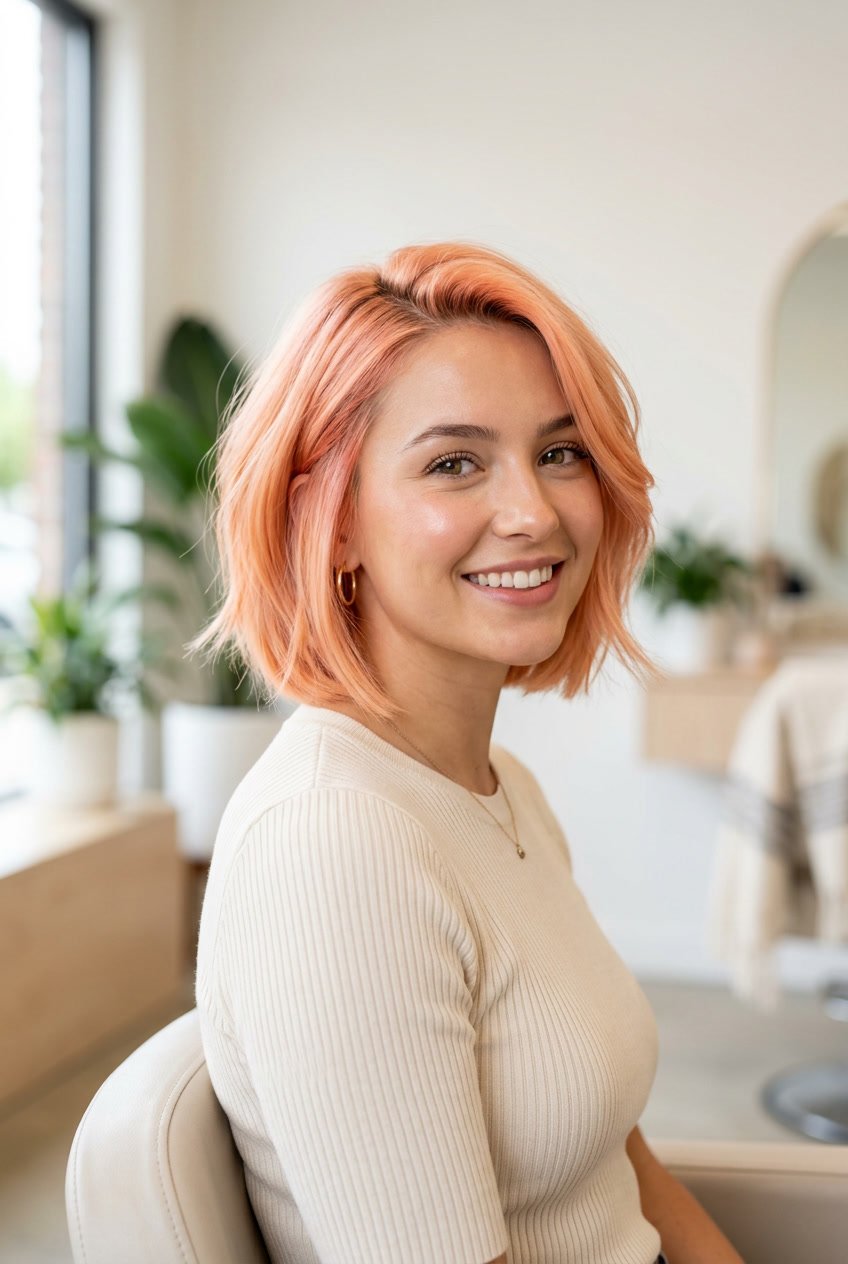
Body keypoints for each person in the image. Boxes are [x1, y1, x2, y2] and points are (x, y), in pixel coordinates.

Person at [192, 241, 744, 1264]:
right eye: (454, 462)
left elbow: (620, 1166)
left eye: (560, 453)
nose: (533, 512)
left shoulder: (498, 789)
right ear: (331, 520)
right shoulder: (334, 842)